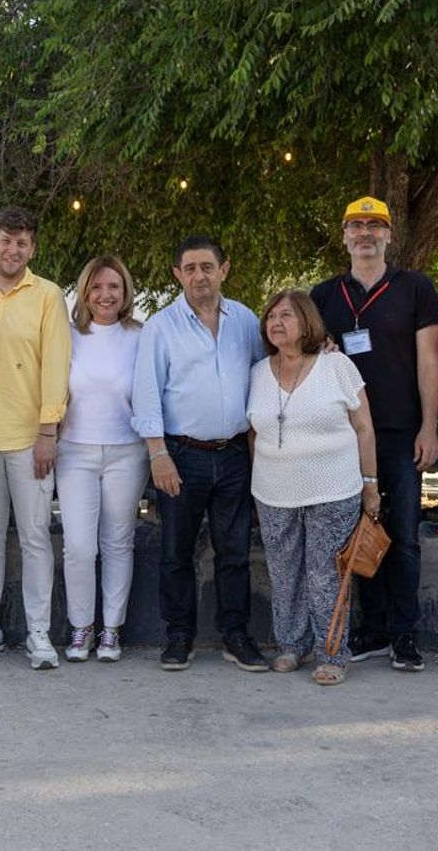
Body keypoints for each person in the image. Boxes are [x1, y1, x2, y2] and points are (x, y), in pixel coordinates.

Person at [309, 195, 438, 671]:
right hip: (344, 438)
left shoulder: (415, 288)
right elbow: (301, 353)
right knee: (357, 534)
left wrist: (429, 425)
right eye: (356, 225)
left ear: (388, 234)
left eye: (375, 226)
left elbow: (429, 360)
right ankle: (373, 628)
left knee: (403, 535)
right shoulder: (323, 296)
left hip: (401, 432)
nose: (365, 233)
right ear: (344, 235)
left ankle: (405, 634)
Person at [133, 235, 269, 673]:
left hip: (233, 455)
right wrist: (158, 453)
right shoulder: (160, 327)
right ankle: (178, 636)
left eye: (206, 266)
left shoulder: (246, 321)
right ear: (177, 275)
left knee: (234, 551)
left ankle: (235, 634)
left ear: (224, 270)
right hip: (180, 454)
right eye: (189, 268)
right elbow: (146, 393)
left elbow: (269, 371)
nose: (198, 275)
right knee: (176, 551)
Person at [0, 207, 70, 669]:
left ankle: (39, 632)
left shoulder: (47, 295)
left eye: (22, 242)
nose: (13, 249)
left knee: (37, 537)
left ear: (32, 249)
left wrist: (48, 430)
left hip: (29, 438)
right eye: (6, 239)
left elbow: (57, 364)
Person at [249, 291, 379, 686]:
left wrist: (370, 485)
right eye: (271, 315)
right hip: (273, 493)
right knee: (284, 572)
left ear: (307, 322)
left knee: (326, 575)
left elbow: (364, 428)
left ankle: (333, 653)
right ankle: (291, 644)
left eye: (286, 315)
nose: (276, 322)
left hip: (333, 488)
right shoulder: (257, 371)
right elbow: (254, 433)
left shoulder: (336, 364)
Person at [56, 255, 149, 662]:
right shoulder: (67, 335)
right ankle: (81, 628)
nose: (105, 295)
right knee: (77, 545)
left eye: (113, 287)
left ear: (125, 291)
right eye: (96, 287)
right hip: (74, 450)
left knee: (117, 542)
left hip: (127, 451)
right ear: (84, 292)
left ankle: (111, 629)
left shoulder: (142, 336)